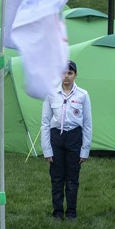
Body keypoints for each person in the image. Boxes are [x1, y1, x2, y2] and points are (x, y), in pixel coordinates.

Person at [41, 61, 92, 220]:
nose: (66, 76)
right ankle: (57, 212)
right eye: (63, 73)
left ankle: (71, 212)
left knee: (72, 177)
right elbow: (45, 122)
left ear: (75, 75)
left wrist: (85, 149)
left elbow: (87, 124)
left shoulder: (82, 95)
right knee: (56, 177)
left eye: (70, 73)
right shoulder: (51, 94)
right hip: (57, 137)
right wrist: (47, 149)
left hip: (74, 137)